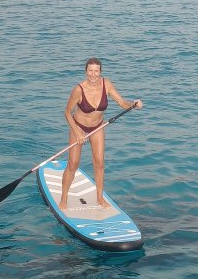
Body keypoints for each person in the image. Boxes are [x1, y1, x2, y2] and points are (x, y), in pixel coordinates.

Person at [59, 58, 143, 210]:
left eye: (96, 71)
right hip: (78, 127)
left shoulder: (106, 84)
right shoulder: (79, 89)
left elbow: (121, 102)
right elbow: (67, 112)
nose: (93, 74)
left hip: (98, 127)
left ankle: (99, 198)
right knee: (73, 164)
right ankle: (63, 199)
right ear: (86, 71)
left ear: (100, 72)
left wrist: (133, 104)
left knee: (99, 163)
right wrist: (77, 131)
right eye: (90, 71)